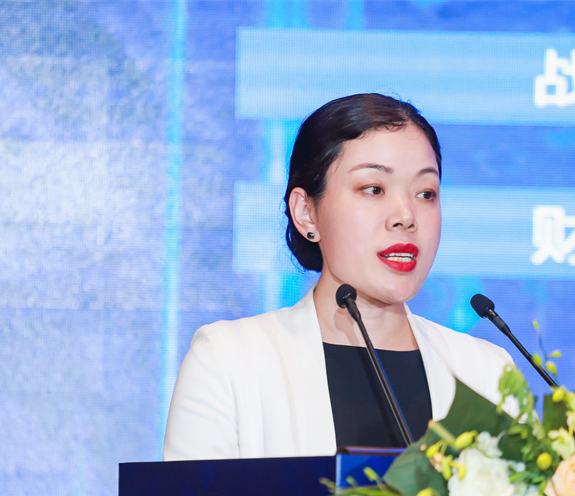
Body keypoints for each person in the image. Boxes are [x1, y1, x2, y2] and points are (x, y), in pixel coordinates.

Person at [163, 93, 513, 461]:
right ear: (306, 212)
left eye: (426, 193)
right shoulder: (229, 361)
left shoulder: (487, 374)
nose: (406, 216)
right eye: (373, 189)